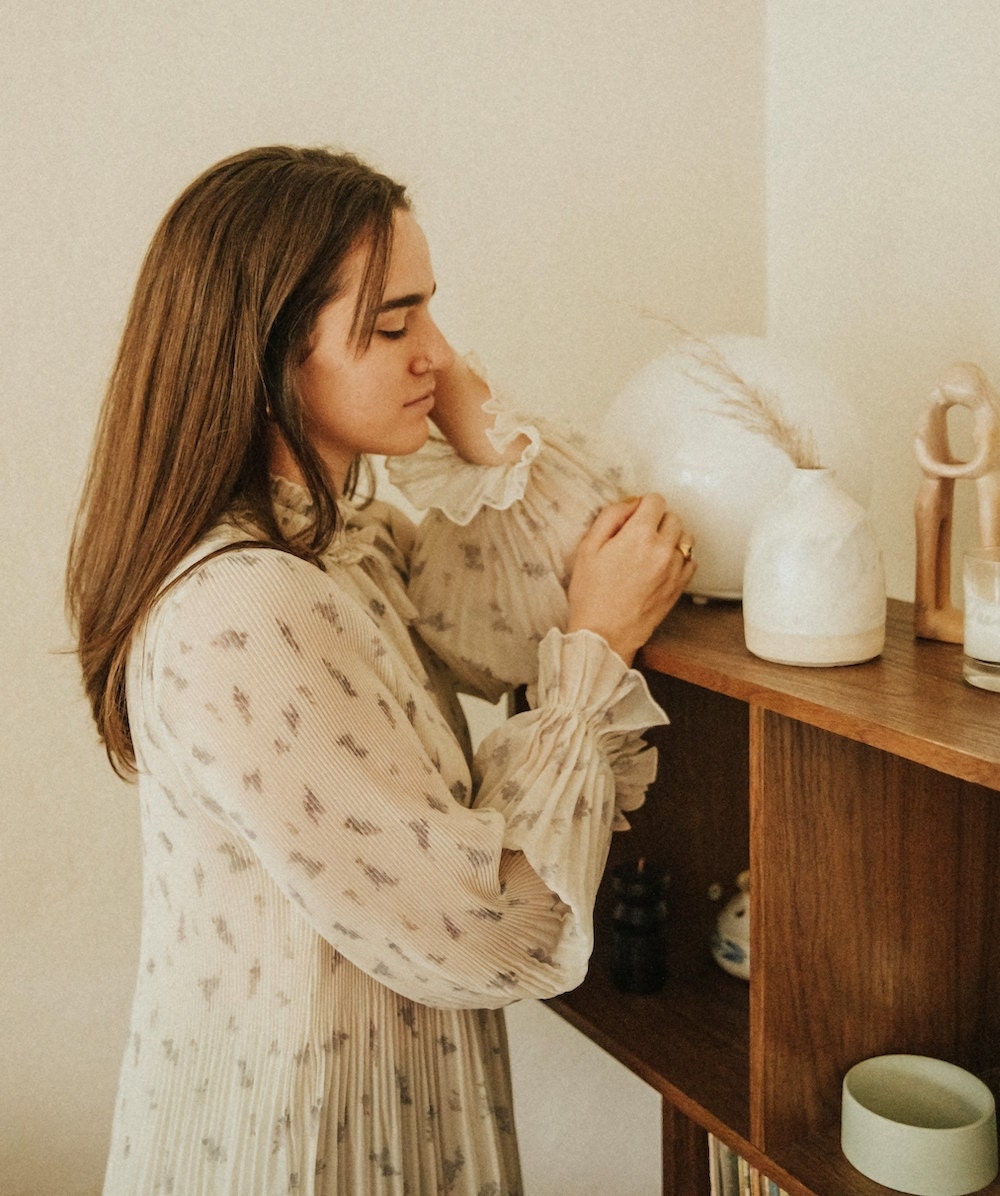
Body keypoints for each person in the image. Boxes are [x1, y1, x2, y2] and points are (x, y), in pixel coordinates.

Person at [66, 145, 696, 1196]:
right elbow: (491, 928)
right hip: (307, 1133)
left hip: (370, 1093)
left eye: (430, 315)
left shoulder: (342, 545)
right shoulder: (250, 606)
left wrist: (486, 442)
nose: (437, 357)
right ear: (264, 355)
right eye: (395, 325)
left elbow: (504, 618)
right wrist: (596, 651)